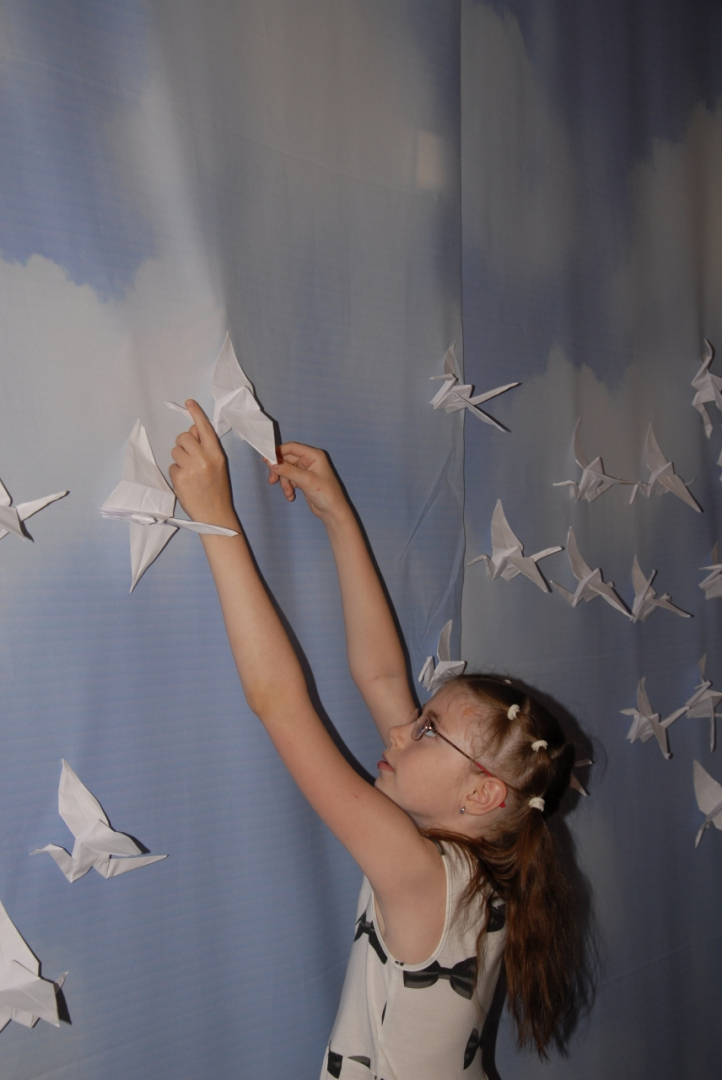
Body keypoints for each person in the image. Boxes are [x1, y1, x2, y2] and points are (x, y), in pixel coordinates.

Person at [169, 401, 580, 1080]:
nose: (400, 727)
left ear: (482, 793)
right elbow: (384, 674)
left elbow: (281, 705)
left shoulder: (420, 872)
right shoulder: (487, 860)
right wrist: (337, 516)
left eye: (427, 730)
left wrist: (218, 519)